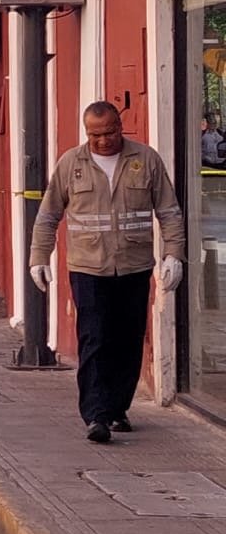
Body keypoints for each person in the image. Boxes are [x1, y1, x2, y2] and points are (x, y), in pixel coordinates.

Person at [30, 101, 185, 443]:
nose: (102, 141)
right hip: (88, 267)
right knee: (95, 337)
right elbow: (48, 215)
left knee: (128, 338)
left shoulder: (146, 160)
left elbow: (169, 211)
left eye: (109, 132)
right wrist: (39, 257)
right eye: (94, 135)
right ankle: (95, 415)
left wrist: (174, 254)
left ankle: (117, 408)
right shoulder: (71, 163)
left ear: (120, 126)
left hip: (134, 265)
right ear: (86, 132)